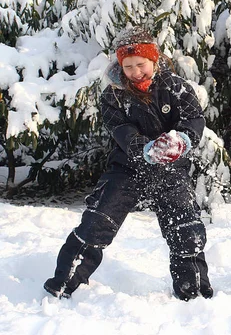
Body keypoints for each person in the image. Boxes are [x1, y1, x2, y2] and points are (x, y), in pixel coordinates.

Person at [44, 26, 213, 301]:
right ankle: (63, 283)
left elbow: (194, 118)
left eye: (141, 64)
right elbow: (120, 128)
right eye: (128, 65)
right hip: (127, 168)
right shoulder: (113, 94)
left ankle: (193, 290)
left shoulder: (177, 88)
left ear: (154, 60)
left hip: (170, 168)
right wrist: (143, 149)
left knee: (186, 228)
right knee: (96, 223)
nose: (135, 72)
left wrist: (180, 141)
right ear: (119, 65)